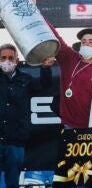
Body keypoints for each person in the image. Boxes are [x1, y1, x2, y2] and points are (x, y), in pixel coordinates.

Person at [0, 44, 52, 188]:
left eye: (11, 58)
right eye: (3, 58)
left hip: (15, 141)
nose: (7, 61)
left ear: (17, 60)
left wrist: (46, 68)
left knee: (12, 182)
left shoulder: (26, 79)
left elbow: (44, 85)